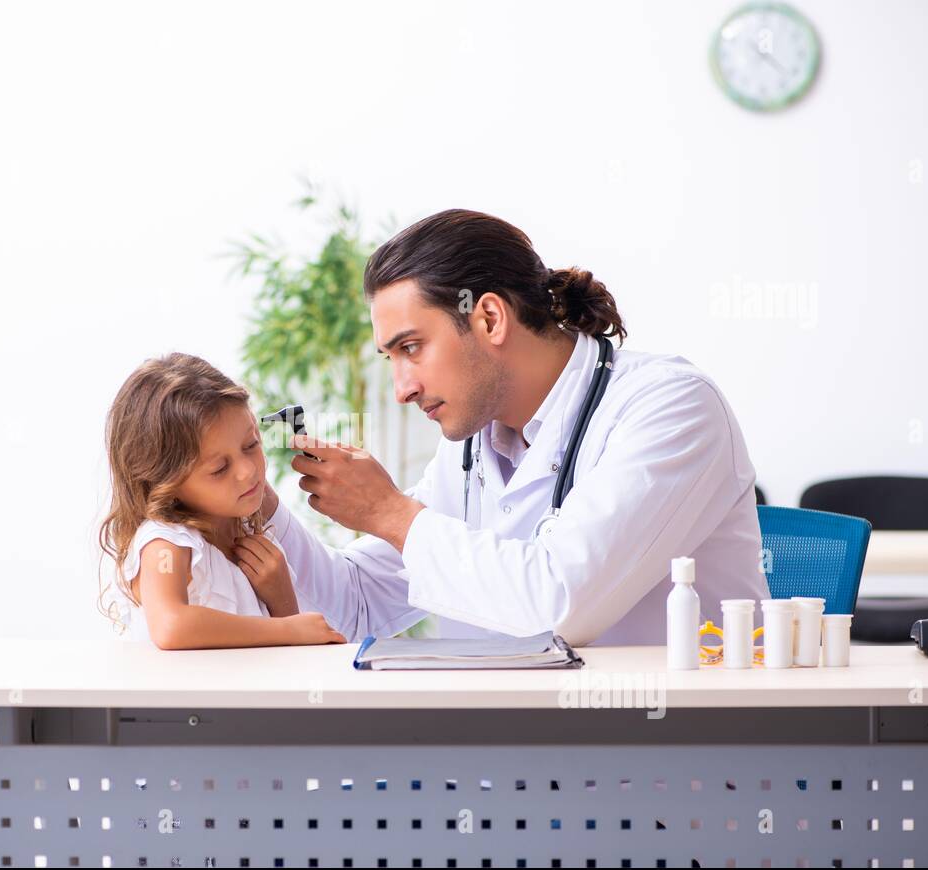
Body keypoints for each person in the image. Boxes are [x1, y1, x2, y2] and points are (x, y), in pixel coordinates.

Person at [259, 209, 770, 646]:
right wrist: (259, 504)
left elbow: (561, 607)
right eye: (390, 357)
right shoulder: (475, 444)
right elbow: (356, 604)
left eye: (411, 348)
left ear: (489, 318)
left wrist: (392, 514)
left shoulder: (669, 405)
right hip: (509, 749)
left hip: (662, 747)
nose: (402, 388)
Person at [98, 353, 345, 650]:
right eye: (219, 468)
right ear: (166, 481)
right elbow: (170, 626)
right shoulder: (166, 545)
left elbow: (288, 651)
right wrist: (286, 627)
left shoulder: (249, 533)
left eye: (251, 444)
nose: (248, 470)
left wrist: (282, 598)